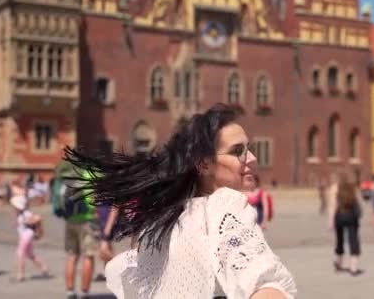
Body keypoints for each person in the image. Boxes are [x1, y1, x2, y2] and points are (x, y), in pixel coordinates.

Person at [63, 104, 296, 298]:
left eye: (249, 148)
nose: (252, 158)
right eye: (238, 151)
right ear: (203, 164)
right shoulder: (226, 205)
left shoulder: (166, 215)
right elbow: (258, 277)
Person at [61, 169, 101, 299]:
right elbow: (97, 201)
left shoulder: (70, 175)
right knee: (88, 256)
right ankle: (84, 293)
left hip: (71, 220)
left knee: (72, 256)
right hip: (88, 222)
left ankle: (70, 292)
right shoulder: (91, 175)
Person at [328, 173, 362, 276]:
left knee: (340, 240)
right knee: (353, 239)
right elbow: (358, 201)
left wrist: (331, 220)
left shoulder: (335, 188)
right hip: (352, 216)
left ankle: (339, 263)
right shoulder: (353, 188)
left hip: (340, 216)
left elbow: (333, 205)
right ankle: (353, 267)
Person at [10, 195, 49, 282]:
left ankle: (20, 274)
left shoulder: (26, 213)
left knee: (20, 253)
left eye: (15, 206)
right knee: (30, 254)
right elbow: (17, 224)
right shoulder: (19, 214)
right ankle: (43, 268)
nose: (13, 208)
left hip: (27, 234)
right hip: (24, 235)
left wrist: (29, 221)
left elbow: (38, 218)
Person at [94, 206, 119, 282]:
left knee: (104, 250)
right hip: (103, 221)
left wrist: (108, 228)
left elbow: (115, 207)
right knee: (107, 247)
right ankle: (108, 272)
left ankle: (118, 268)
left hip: (108, 223)